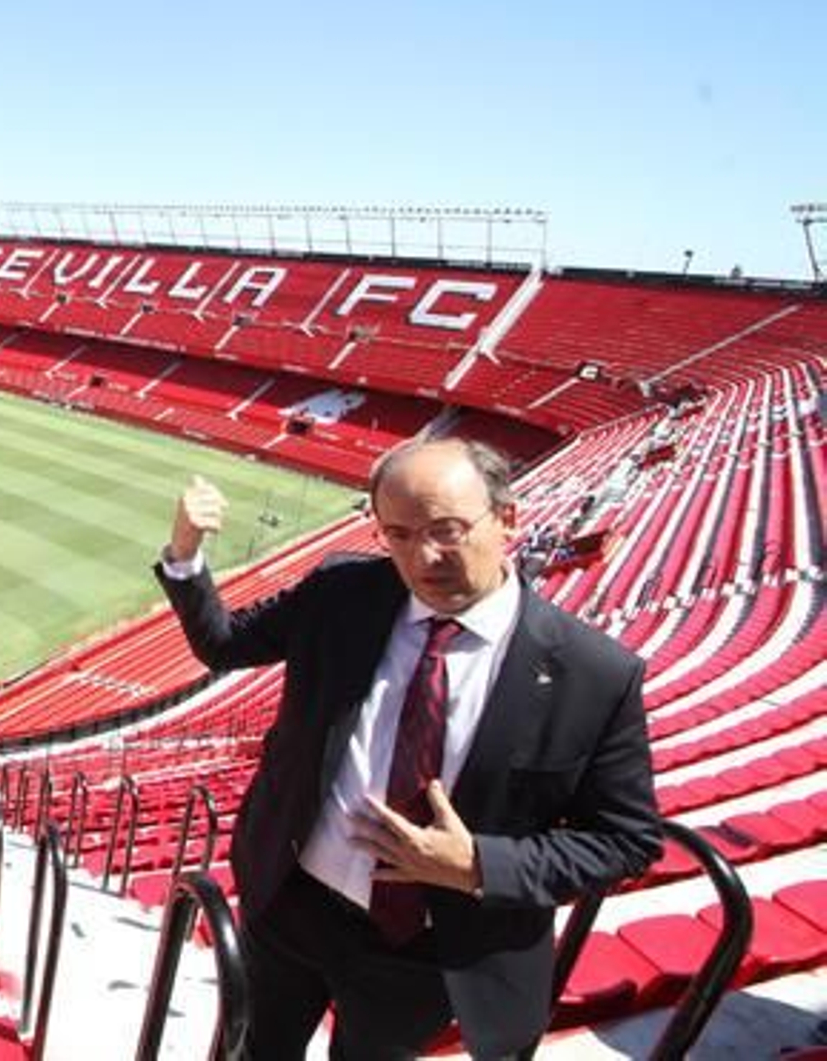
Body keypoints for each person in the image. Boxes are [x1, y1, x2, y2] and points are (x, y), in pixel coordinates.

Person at [154, 438, 661, 1060]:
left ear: (508, 518)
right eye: (397, 533)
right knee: (257, 1049)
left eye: (447, 530)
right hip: (291, 903)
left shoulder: (595, 673)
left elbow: (626, 840)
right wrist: (185, 553)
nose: (423, 557)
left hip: (430, 950)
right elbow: (224, 644)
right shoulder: (341, 592)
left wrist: (478, 864)